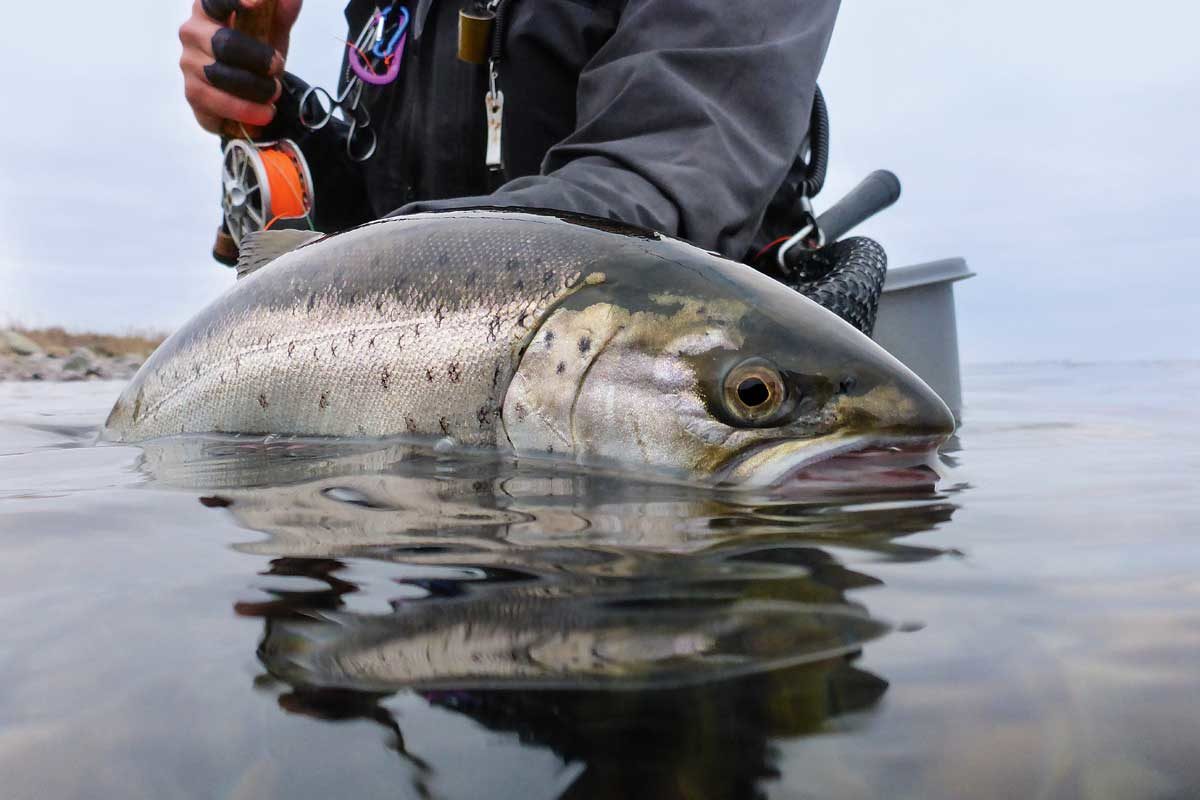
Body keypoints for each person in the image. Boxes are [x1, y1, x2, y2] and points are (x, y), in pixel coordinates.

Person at [179, 0, 840, 261]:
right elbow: (373, 207)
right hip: (445, 428)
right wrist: (268, 115)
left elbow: (657, 191)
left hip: (695, 413)